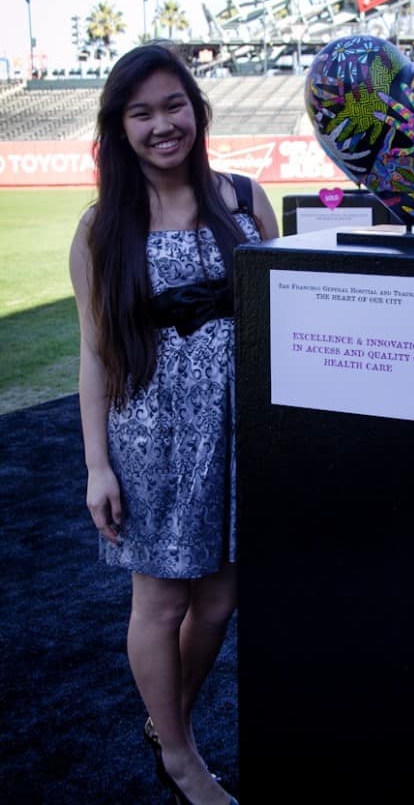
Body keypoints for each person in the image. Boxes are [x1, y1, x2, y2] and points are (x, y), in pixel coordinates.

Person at [69, 42, 279, 805]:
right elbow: (95, 356)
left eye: (174, 105)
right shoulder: (101, 229)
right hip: (150, 440)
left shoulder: (246, 198)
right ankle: (185, 760)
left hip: (234, 433)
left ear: (198, 109)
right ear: (120, 128)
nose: (163, 125)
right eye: (142, 112)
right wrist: (98, 465)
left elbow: (277, 319)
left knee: (220, 599)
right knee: (160, 603)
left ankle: (169, 726)